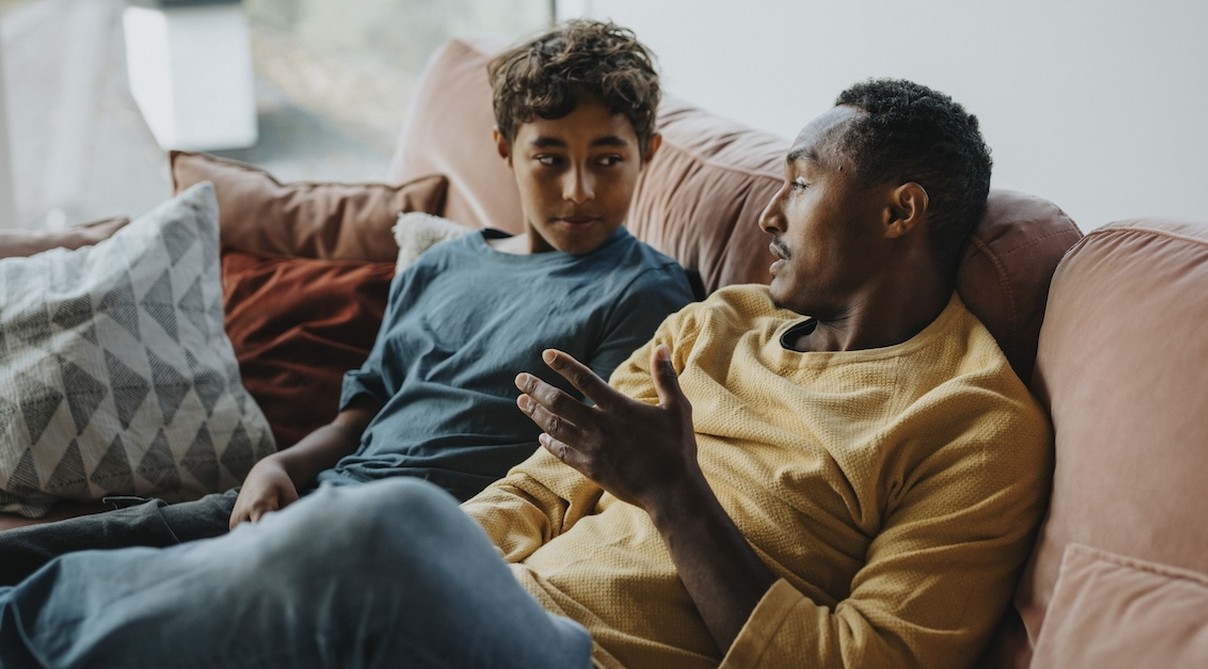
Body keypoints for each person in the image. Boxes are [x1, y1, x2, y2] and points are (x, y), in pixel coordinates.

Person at [0, 79, 1052, 669]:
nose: (771, 215)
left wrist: (675, 494)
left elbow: (860, 661)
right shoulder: (719, 325)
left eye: (801, 184)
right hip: (499, 617)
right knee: (354, 550)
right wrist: (446, 576)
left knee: (383, 526)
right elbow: (539, 489)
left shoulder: (971, 422)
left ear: (899, 211)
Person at [0, 19, 692, 585]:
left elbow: (577, 482)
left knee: (98, 607)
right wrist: (279, 466)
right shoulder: (444, 263)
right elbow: (362, 414)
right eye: (550, 158)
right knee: (47, 554)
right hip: (309, 498)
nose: (578, 189)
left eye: (607, 159)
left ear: (648, 153)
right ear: (504, 149)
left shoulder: (643, 294)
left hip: (393, 542)